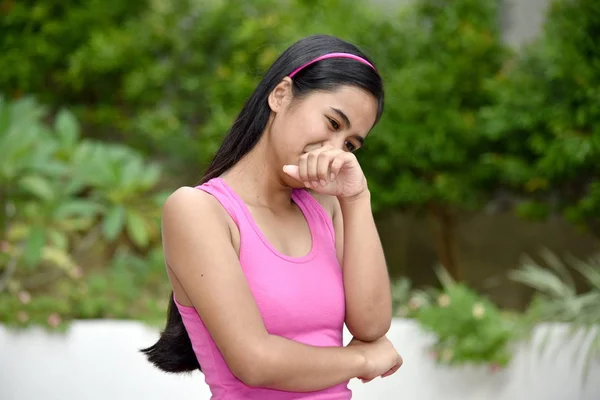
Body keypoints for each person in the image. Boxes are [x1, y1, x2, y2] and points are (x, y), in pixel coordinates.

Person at [141, 34, 402, 399]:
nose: (335, 152)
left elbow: (372, 325)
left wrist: (357, 198)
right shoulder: (200, 211)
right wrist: (360, 359)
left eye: (350, 145)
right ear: (281, 95)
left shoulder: (327, 206)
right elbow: (255, 361)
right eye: (332, 123)